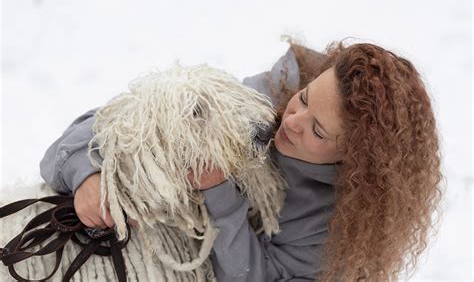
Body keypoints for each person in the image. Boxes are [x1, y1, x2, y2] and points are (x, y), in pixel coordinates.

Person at [40, 39, 443, 281]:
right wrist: (87, 173)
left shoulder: (336, 229)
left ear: (355, 163)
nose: (291, 121)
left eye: (318, 130)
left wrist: (220, 194)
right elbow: (124, 122)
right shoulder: (272, 96)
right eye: (304, 99)